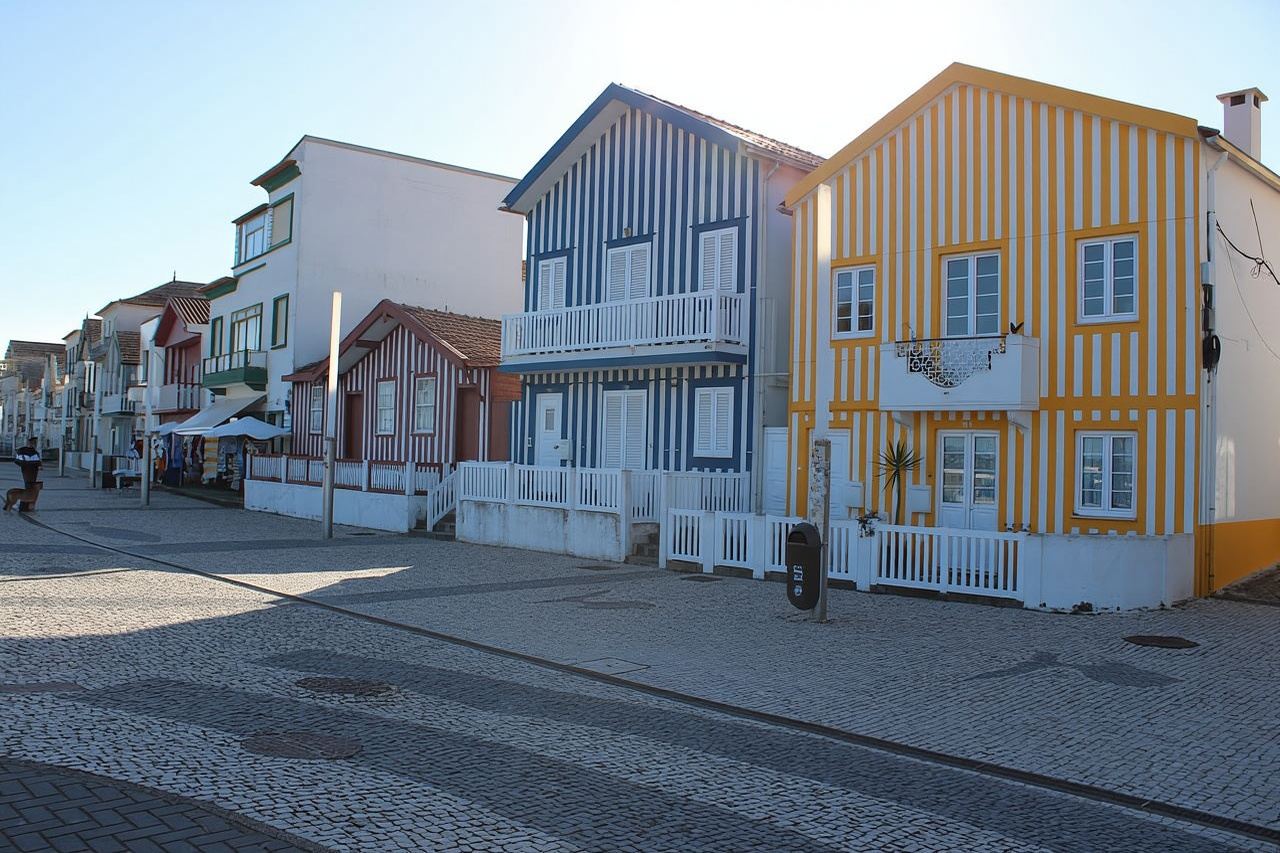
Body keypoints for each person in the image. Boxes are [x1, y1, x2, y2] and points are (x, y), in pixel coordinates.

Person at [13, 437, 41, 511]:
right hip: (29, 471)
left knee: (29, 486)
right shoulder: (25, 451)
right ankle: (24, 506)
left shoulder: (32, 452)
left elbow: (18, 461)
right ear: (31, 443)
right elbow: (18, 461)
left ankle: (26, 505)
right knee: (29, 487)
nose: (35, 445)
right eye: (35, 443)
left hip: (30, 471)